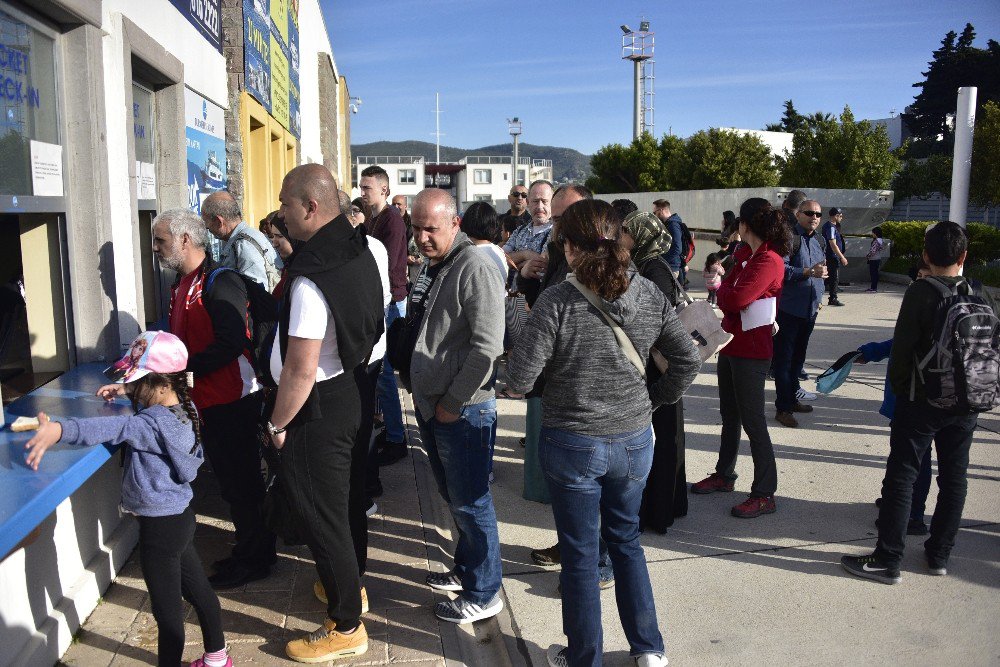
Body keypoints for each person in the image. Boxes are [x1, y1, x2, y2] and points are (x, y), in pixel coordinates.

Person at [506, 199, 700, 667]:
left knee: (579, 555)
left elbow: (518, 379)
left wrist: (515, 308)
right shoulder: (647, 293)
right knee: (626, 541)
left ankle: (584, 657)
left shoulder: (557, 300)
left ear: (569, 249)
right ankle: (649, 649)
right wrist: (653, 401)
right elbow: (688, 359)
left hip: (573, 441)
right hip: (633, 442)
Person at [26, 332, 232, 667]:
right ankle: (217, 659)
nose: (132, 386)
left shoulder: (147, 425)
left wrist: (58, 431)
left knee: (167, 614)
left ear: (162, 384)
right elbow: (153, 393)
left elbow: (103, 430)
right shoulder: (186, 407)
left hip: (159, 530)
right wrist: (125, 389)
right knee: (200, 593)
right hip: (180, 518)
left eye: (137, 381)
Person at [268, 164, 384, 661]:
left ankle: (345, 626)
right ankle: (347, 586)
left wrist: (277, 423)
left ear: (310, 208)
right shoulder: (355, 247)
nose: (280, 213)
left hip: (319, 405)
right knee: (342, 505)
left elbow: (299, 367)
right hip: (350, 390)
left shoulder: (313, 276)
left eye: (286, 205)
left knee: (324, 514)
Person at [841, 221, 983, 584]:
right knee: (955, 478)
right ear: (964, 256)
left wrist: (903, 394)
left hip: (922, 401)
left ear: (925, 256)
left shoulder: (921, 292)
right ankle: (938, 555)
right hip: (967, 400)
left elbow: (902, 351)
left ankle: (888, 559)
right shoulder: (980, 293)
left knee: (902, 476)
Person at [151, 208, 276, 589]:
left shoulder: (220, 281)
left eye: (161, 240)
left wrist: (182, 376)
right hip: (208, 400)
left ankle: (257, 558)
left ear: (186, 239)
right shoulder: (181, 284)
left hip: (233, 399)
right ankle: (249, 551)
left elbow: (231, 342)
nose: (155, 248)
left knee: (243, 484)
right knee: (231, 484)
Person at [407, 188, 506, 624]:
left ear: (455, 224)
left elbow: (487, 347)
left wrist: (452, 401)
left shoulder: (475, 265)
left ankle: (485, 593)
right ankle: (467, 571)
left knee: (471, 502)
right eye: (416, 227)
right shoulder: (440, 263)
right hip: (437, 405)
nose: (422, 237)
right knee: (456, 497)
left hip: (463, 409)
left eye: (431, 228)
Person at [691, 199, 790, 518]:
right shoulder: (745, 255)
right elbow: (730, 292)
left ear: (745, 225)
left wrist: (724, 291)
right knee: (730, 416)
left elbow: (734, 295)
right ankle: (725, 474)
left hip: (752, 350)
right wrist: (726, 290)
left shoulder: (768, 260)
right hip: (731, 344)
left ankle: (765, 492)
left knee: (753, 421)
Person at [620, 209, 690, 534]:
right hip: (658, 366)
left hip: (660, 370)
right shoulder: (648, 265)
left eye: (627, 232)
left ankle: (659, 512)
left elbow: (660, 325)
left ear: (641, 236)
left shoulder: (654, 270)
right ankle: (664, 505)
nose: (622, 237)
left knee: (661, 441)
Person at [359, 166, 410, 467]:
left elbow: (386, 266)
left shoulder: (391, 219)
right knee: (382, 373)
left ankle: (396, 438)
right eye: (362, 187)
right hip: (383, 300)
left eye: (368, 188)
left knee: (385, 372)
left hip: (390, 302)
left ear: (384, 190)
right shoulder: (372, 219)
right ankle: (392, 431)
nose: (363, 192)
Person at [772, 199, 826, 427]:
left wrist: (820, 295)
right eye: (809, 213)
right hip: (789, 310)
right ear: (799, 214)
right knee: (784, 362)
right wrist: (806, 272)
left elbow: (821, 270)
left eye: (818, 214)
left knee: (798, 360)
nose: (814, 217)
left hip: (809, 310)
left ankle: (792, 399)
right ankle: (783, 408)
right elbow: (779, 269)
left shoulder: (819, 240)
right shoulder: (789, 239)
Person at [202, 190, 279, 290]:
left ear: (219, 221)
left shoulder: (245, 245)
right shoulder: (245, 238)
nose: (208, 229)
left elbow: (256, 291)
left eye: (207, 225)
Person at [260, 211, 298, 299]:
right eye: (273, 236)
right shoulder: (289, 268)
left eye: (280, 236)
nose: (274, 244)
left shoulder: (304, 274)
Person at [822, 207, 848, 306]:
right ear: (836, 216)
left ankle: (830, 297)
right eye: (840, 216)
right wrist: (842, 257)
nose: (841, 218)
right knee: (834, 279)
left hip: (830, 256)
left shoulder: (830, 226)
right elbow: (833, 245)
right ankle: (833, 298)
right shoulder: (831, 227)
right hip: (832, 257)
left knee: (828, 278)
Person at [653, 199, 684, 280]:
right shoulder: (668, 224)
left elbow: (677, 248)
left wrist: (662, 261)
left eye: (655, 212)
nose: (655, 215)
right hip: (668, 266)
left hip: (671, 268)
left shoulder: (673, 225)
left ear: (661, 210)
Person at [865, 226, 886, 293]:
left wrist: (868, 256)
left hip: (873, 259)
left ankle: (873, 288)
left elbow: (873, 251)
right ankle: (874, 287)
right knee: (875, 273)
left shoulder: (876, 241)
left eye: (873, 233)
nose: (872, 234)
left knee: (873, 274)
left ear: (875, 233)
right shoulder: (881, 240)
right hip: (878, 258)